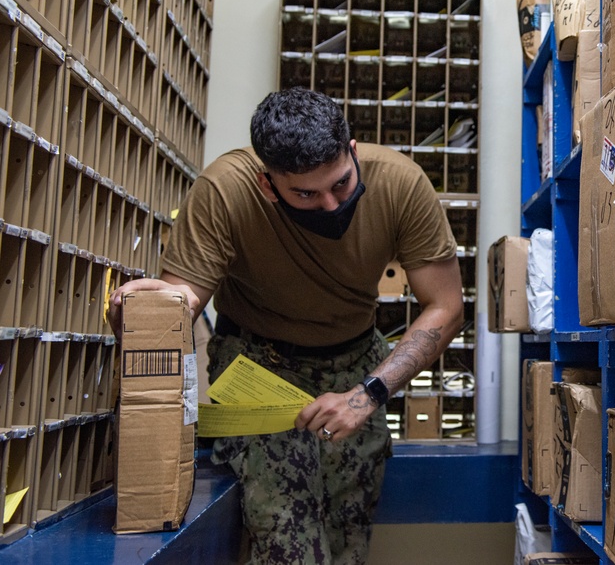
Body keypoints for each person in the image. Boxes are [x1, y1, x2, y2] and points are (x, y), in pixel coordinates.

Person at [108, 88, 464, 564]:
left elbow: (446, 306)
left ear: (352, 151)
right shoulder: (225, 191)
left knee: (346, 544)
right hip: (258, 367)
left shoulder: (400, 183)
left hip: (357, 364)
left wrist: (367, 395)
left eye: (340, 184)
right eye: (306, 194)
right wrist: (142, 320)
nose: (331, 205)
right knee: (287, 544)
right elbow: (179, 308)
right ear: (267, 184)